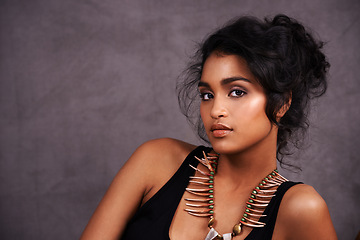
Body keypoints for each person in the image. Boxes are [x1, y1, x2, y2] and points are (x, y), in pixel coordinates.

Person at [80, 14, 337, 240]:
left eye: (237, 92)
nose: (215, 110)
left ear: (282, 103)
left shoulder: (301, 209)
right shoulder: (156, 161)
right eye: (207, 95)